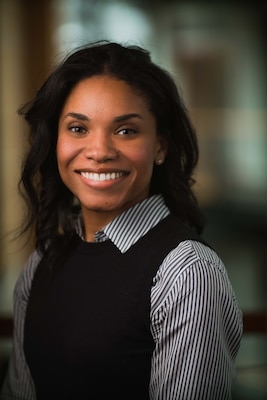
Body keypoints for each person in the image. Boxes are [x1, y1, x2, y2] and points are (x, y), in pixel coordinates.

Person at [1, 41, 242, 400]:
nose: (99, 152)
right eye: (78, 129)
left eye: (126, 130)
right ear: (56, 142)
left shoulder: (186, 273)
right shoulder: (41, 264)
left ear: (160, 146)